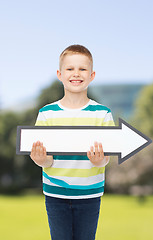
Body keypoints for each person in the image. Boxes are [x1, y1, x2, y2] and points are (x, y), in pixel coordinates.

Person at [30, 44, 114, 240]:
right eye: (70, 69)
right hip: (55, 195)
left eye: (83, 69)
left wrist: (99, 161)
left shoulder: (102, 113)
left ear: (92, 75)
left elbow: (106, 159)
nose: (76, 73)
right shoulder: (46, 114)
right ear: (60, 74)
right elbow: (47, 160)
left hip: (89, 195)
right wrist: (41, 160)